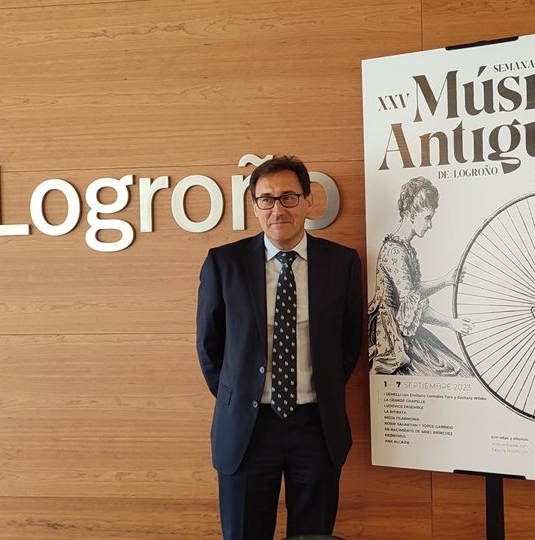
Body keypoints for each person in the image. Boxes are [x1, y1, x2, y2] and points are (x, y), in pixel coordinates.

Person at [196, 155, 363, 540]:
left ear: (308, 201)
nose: (278, 209)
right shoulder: (225, 263)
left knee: (313, 535)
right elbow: (210, 345)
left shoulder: (341, 263)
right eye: (266, 199)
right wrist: (239, 395)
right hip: (247, 428)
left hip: (316, 426)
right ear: (254, 206)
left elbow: (348, 342)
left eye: (288, 197)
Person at [368, 176, 473, 376]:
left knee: (458, 370)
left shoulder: (403, 247)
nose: (430, 224)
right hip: (394, 339)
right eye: (427, 217)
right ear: (411, 214)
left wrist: (446, 281)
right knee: (456, 371)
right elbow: (411, 305)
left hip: (403, 329)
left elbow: (411, 291)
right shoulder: (395, 252)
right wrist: (450, 323)